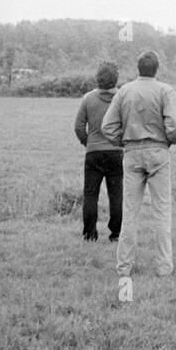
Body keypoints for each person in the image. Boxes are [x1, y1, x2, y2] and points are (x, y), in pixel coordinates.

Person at [101, 50, 176, 278]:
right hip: (159, 151)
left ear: (138, 68)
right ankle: (164, 267)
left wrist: (124, 140)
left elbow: (107, 126)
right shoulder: (165, 91)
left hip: (131, 152)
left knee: (129, 212)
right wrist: (170, 139)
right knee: (162, 211)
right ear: (156, 69)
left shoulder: (124, 91)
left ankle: (124, 268)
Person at [74, 61, 123, 243]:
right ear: (116, 79)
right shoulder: (122, 97)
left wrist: (88, 143)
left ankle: (89, 234)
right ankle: (116, 234)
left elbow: (78, 126)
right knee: (116, 195)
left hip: (93, 151)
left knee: (90, 194)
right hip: (116, 152)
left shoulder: (88, 98)